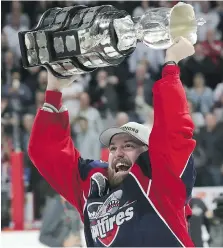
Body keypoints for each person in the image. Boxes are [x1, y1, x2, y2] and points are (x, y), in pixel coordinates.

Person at [28, 37, 196, 247]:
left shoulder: (163, 182)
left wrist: (171, 64)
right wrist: (53, 91)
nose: (117, 152)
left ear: (148, 153)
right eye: (113, 147)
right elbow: (46, 152)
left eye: (128, 146)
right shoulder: (94, 185)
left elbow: (173, 132)